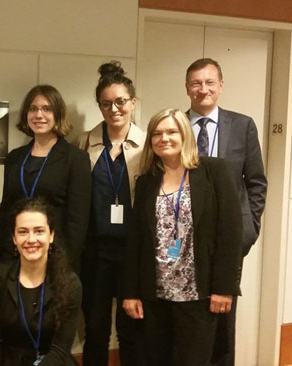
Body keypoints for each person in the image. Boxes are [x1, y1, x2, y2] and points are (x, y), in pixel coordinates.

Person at [122, 108, 242, 366]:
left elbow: (230, 233)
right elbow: (136, 241)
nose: (164, 138)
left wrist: (224, 288)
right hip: (156, 294)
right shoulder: (147, 182)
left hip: (198, 294)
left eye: (171, 131)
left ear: (185, 134)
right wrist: (130, 292)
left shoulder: (214, 172)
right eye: (157, 133)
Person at [184, 58, 267, 366]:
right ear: (187, 88)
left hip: (229, 240)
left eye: (209, 82)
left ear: (220, 85)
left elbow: (256, 182)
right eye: (195, 83)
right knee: (188, 316)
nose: (202, 89)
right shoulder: (175, 126)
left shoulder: (242, 125)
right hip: (183, 238)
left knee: (223, 316)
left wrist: (249, 229)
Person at [76, 61, 144, 366]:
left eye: (120, 102)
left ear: (132, 102)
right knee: (96, 329)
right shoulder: (84, 143)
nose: (114, 109)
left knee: (131, 330)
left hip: (133, 252)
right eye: (106, 103)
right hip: (95, 252)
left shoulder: (148, 146)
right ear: (99, 106)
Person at [0, 85, 91, 275]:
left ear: (58, 114)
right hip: (16, 257)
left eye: (47, 109)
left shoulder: (76, 159)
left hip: (57, 259)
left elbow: (78, 221)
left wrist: (65, 266)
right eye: (33, 108)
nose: (39, 115)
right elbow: (5, 210)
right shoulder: (15, 158)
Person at [0, 197, 82, 366]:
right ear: (14, 238)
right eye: (22, 232)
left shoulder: (71, 284)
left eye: (39, 231)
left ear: (51, 235)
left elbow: (60, 350)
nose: (31, 239)